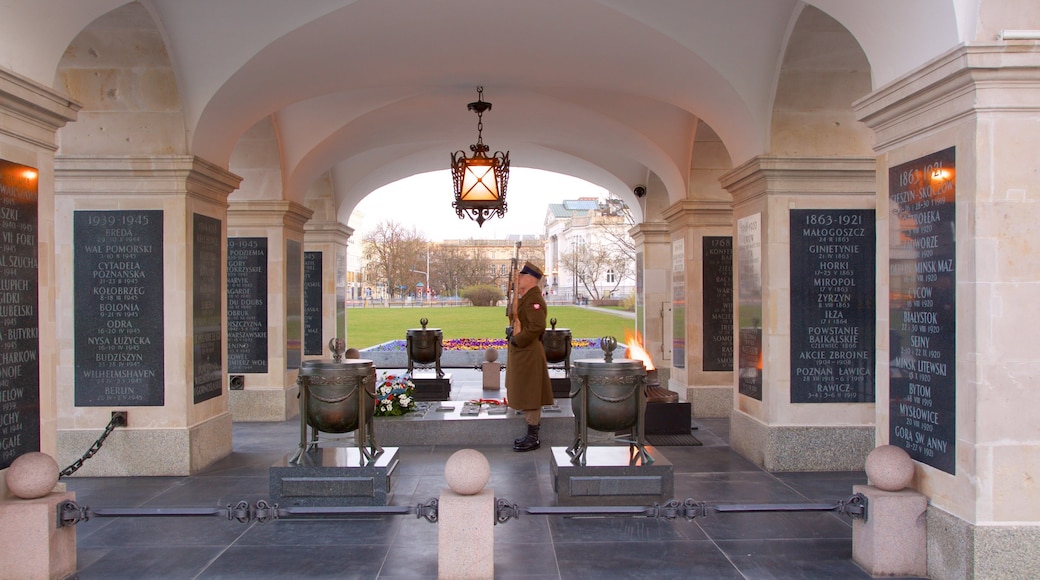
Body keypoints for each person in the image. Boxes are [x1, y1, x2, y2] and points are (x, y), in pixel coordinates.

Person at [505, 261, 554, 451]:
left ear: (531, 279)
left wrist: (518, 340)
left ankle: (533, 436)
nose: (519, 279)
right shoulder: (525, 297)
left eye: (522, 276)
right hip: (523, 353)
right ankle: (530, 434)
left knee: (532, 394)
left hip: (529, 353)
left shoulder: (534, 300)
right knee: (525, 391)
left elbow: (536, 327)